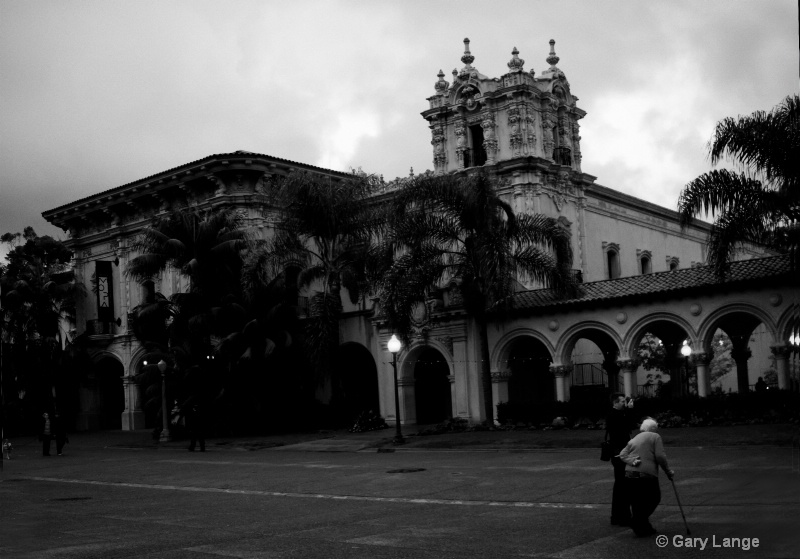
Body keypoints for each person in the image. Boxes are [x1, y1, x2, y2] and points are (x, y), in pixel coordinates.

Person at [618, 417, 675, 537]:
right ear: (654, 428)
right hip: (646, 474)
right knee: (654, 498)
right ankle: (637, 521)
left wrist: (632, 461)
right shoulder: (655, 437)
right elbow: (660, 456)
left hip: (629, 474)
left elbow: (622, 454)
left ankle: (642, 527)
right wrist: (668, 471)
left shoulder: (635, 438)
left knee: (637, 501)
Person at [606, 393, 636, 526]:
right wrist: (629, 410)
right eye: (622, 401)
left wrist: (629, 411)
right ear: (615, 402)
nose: (624, 403)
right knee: (622, 484)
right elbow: (628, 425)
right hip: (619, 453)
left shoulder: (615, 414)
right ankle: (622, 516)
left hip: (619, 451)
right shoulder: (614, 415)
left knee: (621, 484)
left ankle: (619, 516)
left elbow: (629, 425)